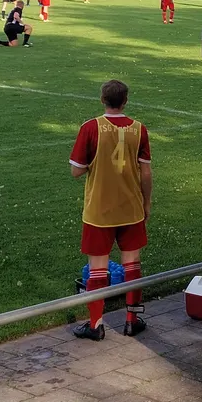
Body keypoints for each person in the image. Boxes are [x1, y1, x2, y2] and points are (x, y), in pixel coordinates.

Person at [69, 80, 153, 340]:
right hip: (131, 208)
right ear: (125, 101)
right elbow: (146, 172)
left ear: (102, 100)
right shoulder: (139, 129)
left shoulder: (90, 127)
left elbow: (76, 171)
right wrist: (146, 202)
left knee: (97, 268)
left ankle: (96, 325)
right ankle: (131, 321)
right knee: (132, 264)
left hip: (99, 210)